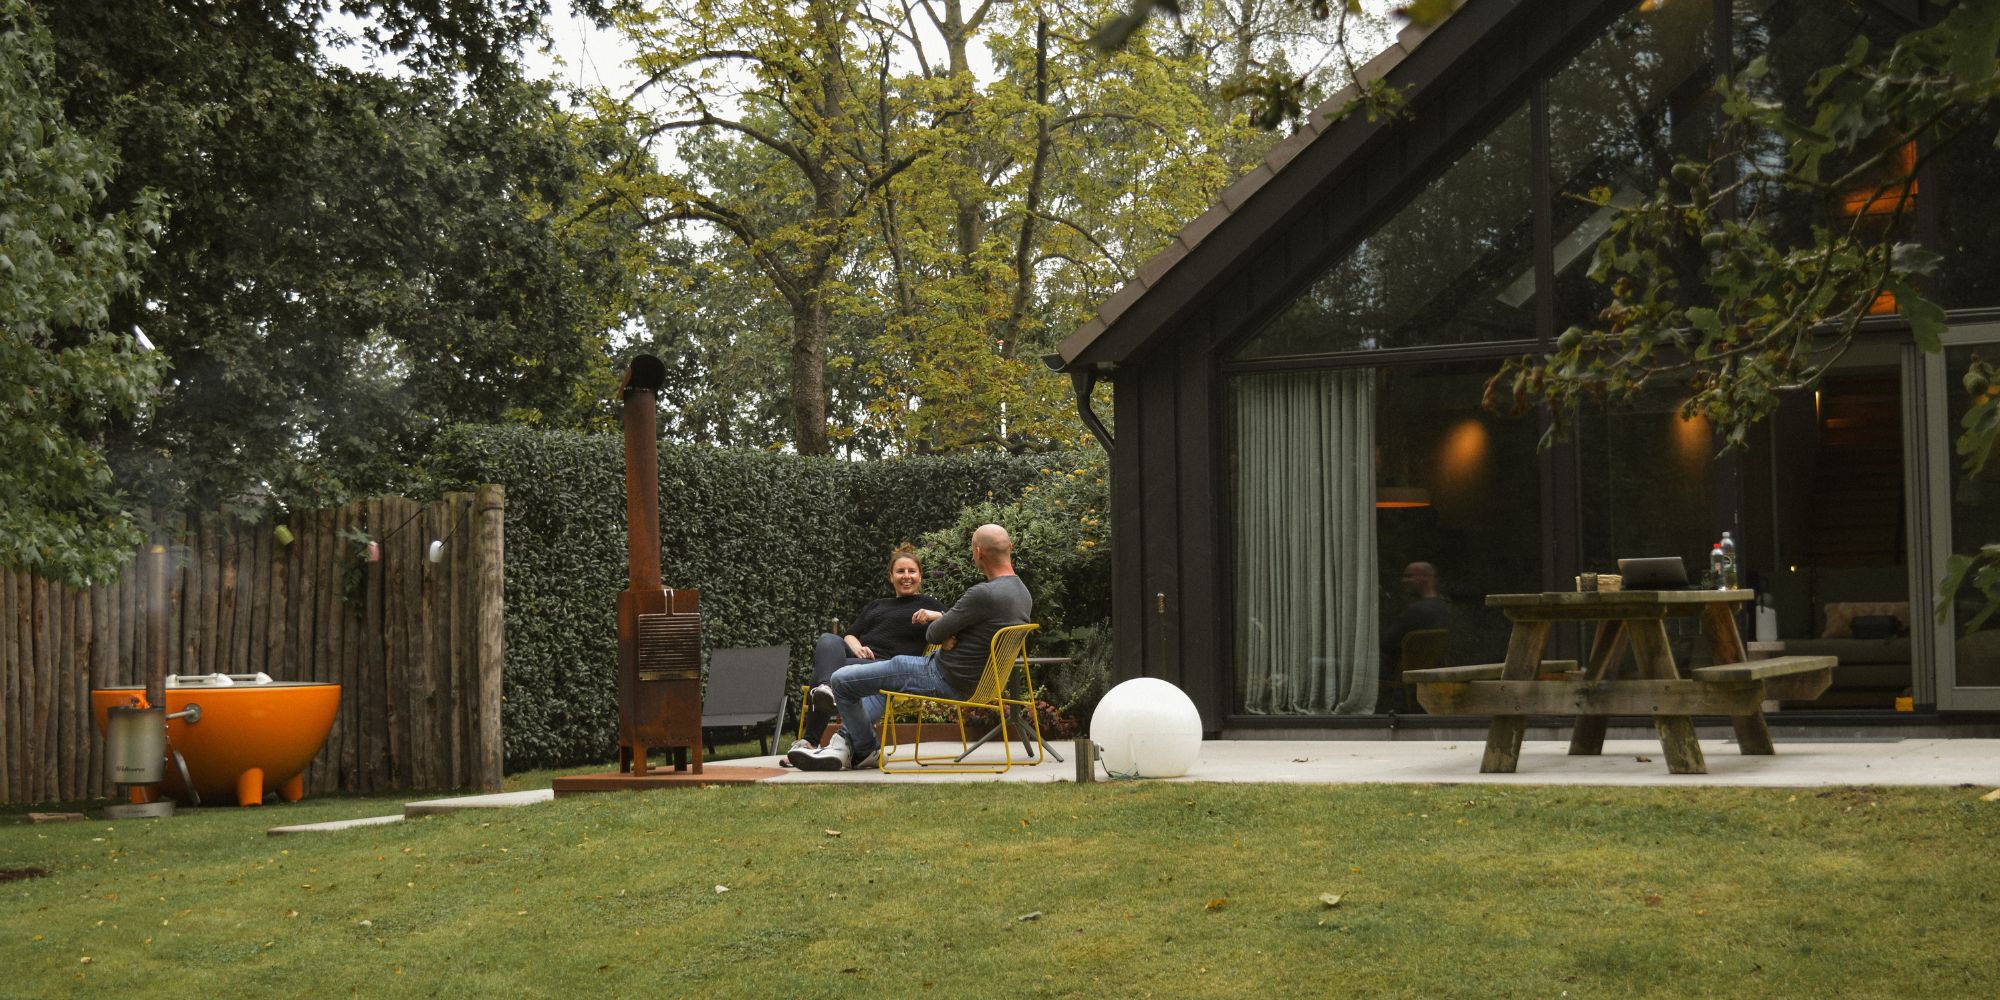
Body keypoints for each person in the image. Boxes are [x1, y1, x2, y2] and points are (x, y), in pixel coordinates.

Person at [789, 524, 1032, 771]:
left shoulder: (983, 594)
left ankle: (856, 746)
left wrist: (942, 624)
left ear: (978, 553)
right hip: (965, 679)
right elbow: (965, 628)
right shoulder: (1022, 593)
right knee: (836, 669)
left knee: (840, 679)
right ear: (1010, 548)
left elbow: (934, 632)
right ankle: (848, 745)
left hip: (941, 675)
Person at [790, 543, 946, 751]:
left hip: (890, 667)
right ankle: (827, 691)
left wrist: (935, 616)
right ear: (891, 577)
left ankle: (809, 741)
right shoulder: (876, 605)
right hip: (861, 659)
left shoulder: (927, 604)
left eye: (912, 571)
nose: (906, 576)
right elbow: (850, 635)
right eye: (900, 571)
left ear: (920, 576)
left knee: (821, 670)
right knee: (829, 639)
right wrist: (857, 648)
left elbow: (956, 622)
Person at [1380, 562, 1449, 708]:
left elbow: (1385, 644)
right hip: (1413, 671)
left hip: (1396, 671)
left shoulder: (1416, 611)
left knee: (1335, 665)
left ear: (1425, 577)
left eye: (1409, 576)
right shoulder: (1440, 609)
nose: (1404, 580)